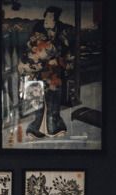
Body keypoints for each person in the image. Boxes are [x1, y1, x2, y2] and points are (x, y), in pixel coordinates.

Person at [18, 5, 74, 139]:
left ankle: (54, 128)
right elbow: (32, 47)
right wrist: (40, 55)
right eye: (47, 16)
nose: (48, 19)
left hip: (53, 71)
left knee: (53, 100)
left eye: (51, 17)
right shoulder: (38, 28)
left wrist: (57, 57)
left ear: (56, 19)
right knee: (37, 100)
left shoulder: (61, 30)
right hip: (37, 69)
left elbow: (65, 48)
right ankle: (35, 128)